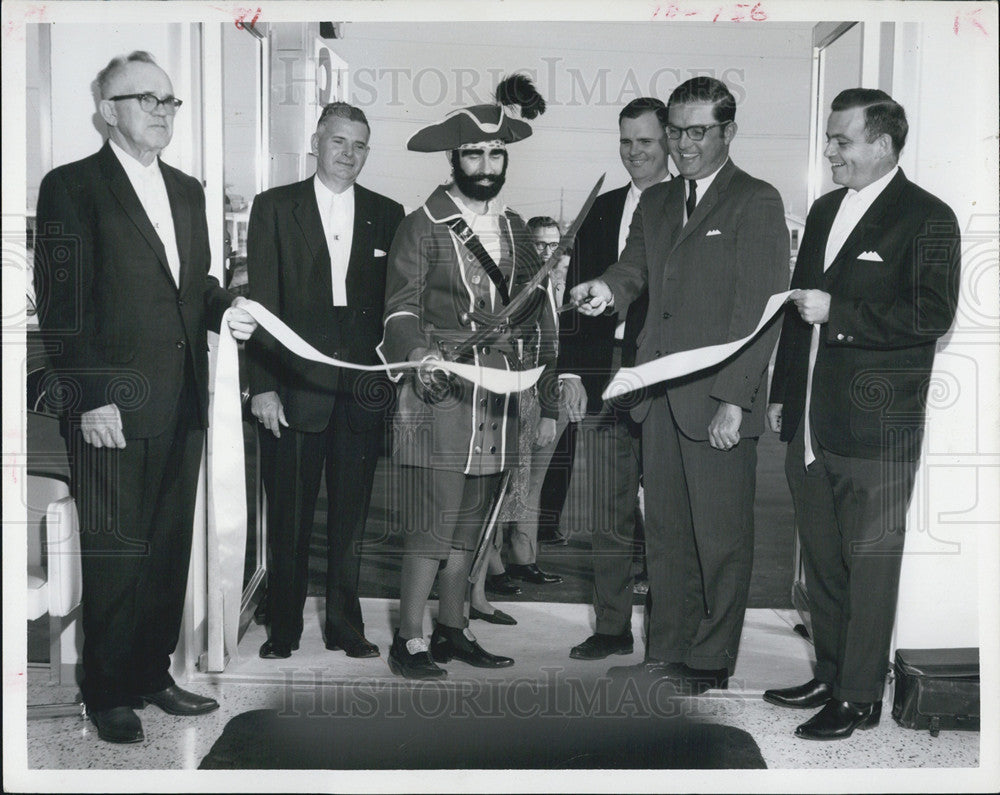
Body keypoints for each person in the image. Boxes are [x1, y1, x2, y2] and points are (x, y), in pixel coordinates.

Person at [33, 51, 258, 743]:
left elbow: (195, 286)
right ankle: (106, 690)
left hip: (181, 399)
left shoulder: (188, 190)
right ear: (108, 110)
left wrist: (228, 309)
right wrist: (93, 397)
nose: (164, 111)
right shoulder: (72, 186)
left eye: (170, 100)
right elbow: (63, 305)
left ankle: (151, 672)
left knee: (164, 549)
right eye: (148, 99)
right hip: (111, 410)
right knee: (116, 551)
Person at [571, 77, 789, 692]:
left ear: (727, 132)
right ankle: (664, 651)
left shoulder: (757, 200)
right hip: (657, 398)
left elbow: (762, 309)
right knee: (665, 533)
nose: (684, 144)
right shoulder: (658, 202)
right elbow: (633, 268)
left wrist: (733, 399)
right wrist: (605, 290)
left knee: (720, 539)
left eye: (698, 132)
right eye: (677, 132)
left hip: (716, 399)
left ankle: (710, 660)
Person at [763, 89, 960, 740]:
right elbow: (798, 311)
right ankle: (829, 672)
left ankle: (857, 698)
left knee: (870, 566)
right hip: (812, 425)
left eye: (841, 141)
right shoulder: (822, 210)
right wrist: (784, 397)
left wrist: (839, 316)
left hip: (878, 430)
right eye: (830, 138)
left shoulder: (929, 217)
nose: (829, 152)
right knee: (821, 559)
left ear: (882, 144)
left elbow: (933, 315)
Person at [379, 75, 558, 679]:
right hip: (441, 391)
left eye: (495, 153)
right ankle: (408, 640)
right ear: (453, 159)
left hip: (501, 392)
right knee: (432, 524)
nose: (486, 165)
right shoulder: (421, 225)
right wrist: (422, 356)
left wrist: (539, 310)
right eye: (474, 154)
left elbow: (533, 308)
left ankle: (452, 629)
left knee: (472, 525)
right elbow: (399, 310)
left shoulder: (511, 229)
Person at [247, 102, 404, 661]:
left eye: (360, 145)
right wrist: (262, 386)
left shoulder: (388, 213)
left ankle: (345, 625)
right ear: (316, 142)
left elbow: (396, 307)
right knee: (288, 514)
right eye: (339, 142)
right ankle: (283, 628)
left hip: (361, 391)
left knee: (352, 519)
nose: (349, 154)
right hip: (292, 388)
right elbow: (261, 304)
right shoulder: (274, 207)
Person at [560, 97, 671, 662]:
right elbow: (574, 299)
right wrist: (572, 374)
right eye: (626, 141)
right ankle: (611, 626)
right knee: (609, 510)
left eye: (646, 142)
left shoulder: (688, 207)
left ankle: (670, 636)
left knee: (670, 514)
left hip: (668, 380)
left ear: (670, 142)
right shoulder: (599, 211)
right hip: (605, 377)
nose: (635, 153)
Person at [497, 215, 567, 588]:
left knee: (532, 484)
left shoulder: (553, 286)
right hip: (525, 392)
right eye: (538, 245)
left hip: (547, 394)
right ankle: (491, 567)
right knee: (507, 483)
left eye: (553, 245)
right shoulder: (523, 287)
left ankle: (524, 559)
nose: (546, 252)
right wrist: (546, 412)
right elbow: (539, 354)